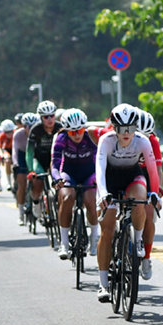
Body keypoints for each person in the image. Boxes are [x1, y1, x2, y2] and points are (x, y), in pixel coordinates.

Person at [94, 105, 160, 303]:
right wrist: (103, 194)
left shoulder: (143, 141)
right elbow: (99, 169)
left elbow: (152, 171)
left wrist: (155, 193)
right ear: (113, 127)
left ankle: (138, 240)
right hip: (110, 179)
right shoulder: (106, 141)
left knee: (140, 198)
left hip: (133, 176)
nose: (126, 134)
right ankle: (103, 284)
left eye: (130, 129)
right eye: (121, 129)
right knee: (107, 230)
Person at [51, 109, 99, 260]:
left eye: (80, 130)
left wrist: (99, 177)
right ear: (66, 131)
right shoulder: (61, 138)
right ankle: (64, 243)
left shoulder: (90, 137)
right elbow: (55, 164)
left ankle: (94, 238)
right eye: (72, 132)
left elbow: (100, 160)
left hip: (90, 173)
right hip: (69, 173)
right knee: (66, 198)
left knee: (90, 200)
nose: (77, 135)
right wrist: (57, 178)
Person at [136, 109, 163, 281]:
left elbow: (158, 168)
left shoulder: (153, 141)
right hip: (127, 172)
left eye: (148, 136)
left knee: (149, 213)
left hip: (147, 173)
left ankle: (146, 257)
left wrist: (158, 188)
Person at [26, 101, 63, 218]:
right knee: (38, 182)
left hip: (55, 158)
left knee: (61, 182)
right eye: (46, 117)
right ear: (41, 118)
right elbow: (29, 152)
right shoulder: (35, 130)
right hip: (39, 159)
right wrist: (31, 170)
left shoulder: (60, 127)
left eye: (52, 115)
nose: (49, 119)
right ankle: (36, 203)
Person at [13, 113, 38, 224]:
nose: (31, 129)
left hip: (35, 155)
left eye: (33, 126)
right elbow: (14, 151)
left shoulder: (39, 132)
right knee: (22, 184)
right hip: (22, 155)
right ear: (23, 126)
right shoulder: (18, 134)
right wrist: (15, 164)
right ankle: (21, 213)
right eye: (28, 126)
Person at [0, 120, 15, 191]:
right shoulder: (1, 136)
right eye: (7, 132)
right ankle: (9, 183)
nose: (9, 134)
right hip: (6, 150)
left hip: (14, 149)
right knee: (7, 161)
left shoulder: (16, 133)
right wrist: (1, 155)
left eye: (10, 131)